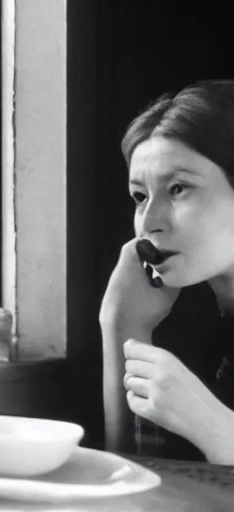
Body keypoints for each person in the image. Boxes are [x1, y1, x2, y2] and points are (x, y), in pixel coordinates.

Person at [100, 80, 234, 464]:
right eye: (140, 197)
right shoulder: (178, 310)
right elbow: (133, 480)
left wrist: (214, 426)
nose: (150, 222)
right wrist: (122, 324)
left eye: (178, 189)